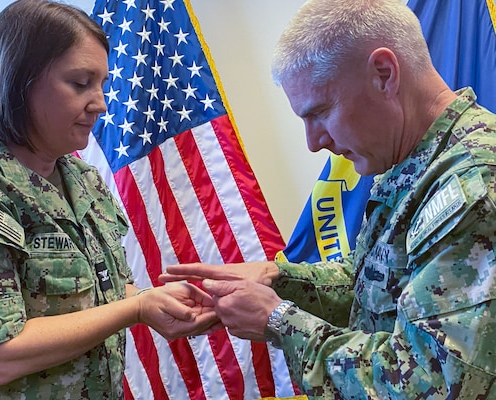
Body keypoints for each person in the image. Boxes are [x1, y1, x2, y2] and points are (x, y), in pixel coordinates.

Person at [160, 0, 496, 398]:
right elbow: (374, 283)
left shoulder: (473, 184)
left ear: (384, 74)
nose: (314, 142)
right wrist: (278, 280)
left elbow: (429, 382)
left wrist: (278, 320)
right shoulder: (412, 160)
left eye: (319, 112)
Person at [0, 1, 219, 398]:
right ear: (21, 82)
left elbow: (108, 292)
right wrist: (134, 309)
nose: (100, 103)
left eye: (101, 84)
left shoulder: (83, 178)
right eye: (80, 83)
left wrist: (154, 299)